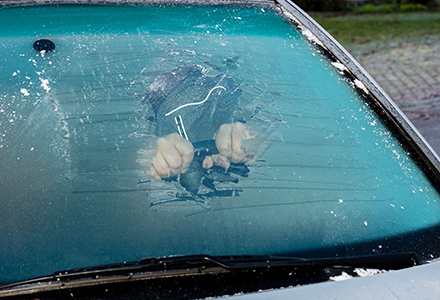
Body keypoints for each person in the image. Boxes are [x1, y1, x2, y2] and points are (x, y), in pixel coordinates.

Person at [141, 63, 255, 180]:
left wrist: (244, 142)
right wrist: (153, 158)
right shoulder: (154, 127)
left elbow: (255, 132)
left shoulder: (230, 102)